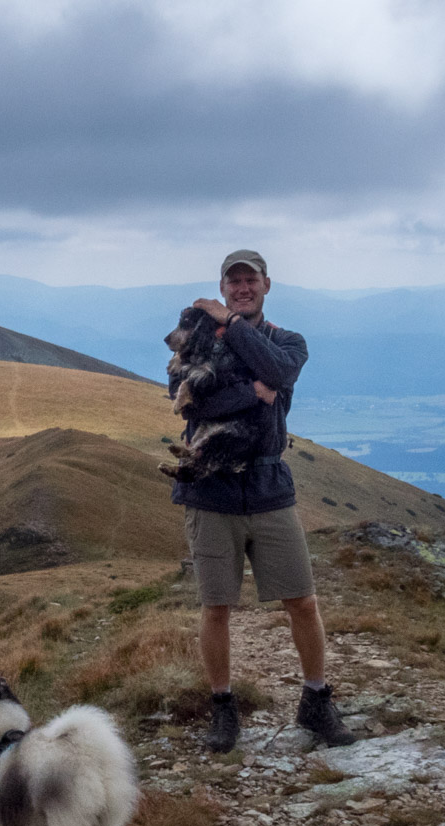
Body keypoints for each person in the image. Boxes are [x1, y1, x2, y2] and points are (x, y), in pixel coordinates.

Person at [169, 249, 355, 753]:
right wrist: (255, 394)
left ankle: (316, 700)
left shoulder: (288, 341)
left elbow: (279, 370)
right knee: (216, 607)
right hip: (210, 489)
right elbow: (188, 400)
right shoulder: (197, 341)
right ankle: (223, 707)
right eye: (234, 282)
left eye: (250, 281)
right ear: (222, 286)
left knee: (302, 600)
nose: (242, 288)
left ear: (266, 286)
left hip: (270, 486)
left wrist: (231, 326)